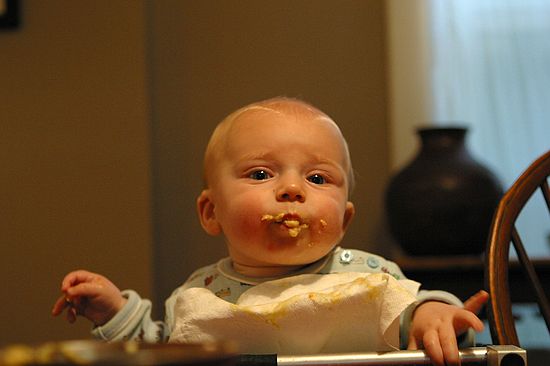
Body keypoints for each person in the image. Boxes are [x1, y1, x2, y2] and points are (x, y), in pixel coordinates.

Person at [52, 97, 488, 366]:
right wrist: (114, 314)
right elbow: (163, 348)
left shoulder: (370, 280)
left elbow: (413, 315)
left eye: (317, 179)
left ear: (345, 221)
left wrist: (435, 315)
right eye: (261, 173)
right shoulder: (204, 294)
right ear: (211, 213)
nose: (293, 190)